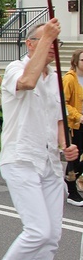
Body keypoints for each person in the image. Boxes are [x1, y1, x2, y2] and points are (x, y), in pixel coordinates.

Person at [0, 19, 78, 260]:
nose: (53, 48)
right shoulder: (16, 68)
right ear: (30, 44)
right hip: (21, 159)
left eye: (57, 43)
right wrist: (46, 39)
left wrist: (66, 145)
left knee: (52, 235)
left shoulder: (55, 79)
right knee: (38, 229)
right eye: (46, 42)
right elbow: (27, 82)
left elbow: (56, 120)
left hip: (50, 163)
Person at [62, 49, 83, 206]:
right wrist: (78, 116)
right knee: (75, 156)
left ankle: (71, 179)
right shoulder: (70, 79)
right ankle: (71, 190)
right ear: (75, 61)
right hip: (75, 125)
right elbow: (64, 103)